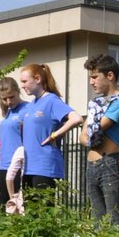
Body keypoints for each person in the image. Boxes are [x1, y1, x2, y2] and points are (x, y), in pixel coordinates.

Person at [18, 64, 83, 199]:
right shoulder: (31, 105)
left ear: (37, 79)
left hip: (44, 167)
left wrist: (55, 135)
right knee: (30, 215)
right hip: (28, 167)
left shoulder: (52, 100)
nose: (22, 86)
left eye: (24, 81)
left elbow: (76, 118)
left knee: (43, 213)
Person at [83, 53, 119, 226]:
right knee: (98, 221)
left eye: (95, 76)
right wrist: (89, 129)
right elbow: (83, 137)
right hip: (92, 165)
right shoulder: (95, 104)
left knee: (115, 219)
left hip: (109, 163)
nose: (91, 82)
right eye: (91, 77)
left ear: (110, 75)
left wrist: (90, 127)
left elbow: (96, 127)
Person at [0, 78, 29, 209]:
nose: (8, 101)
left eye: (11, 97)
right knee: (3, 209)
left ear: (18, 91)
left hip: (19, 166)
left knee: (20, 209)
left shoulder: (27, 109)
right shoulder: (7, 113)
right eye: (4, 99)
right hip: (3, 166)